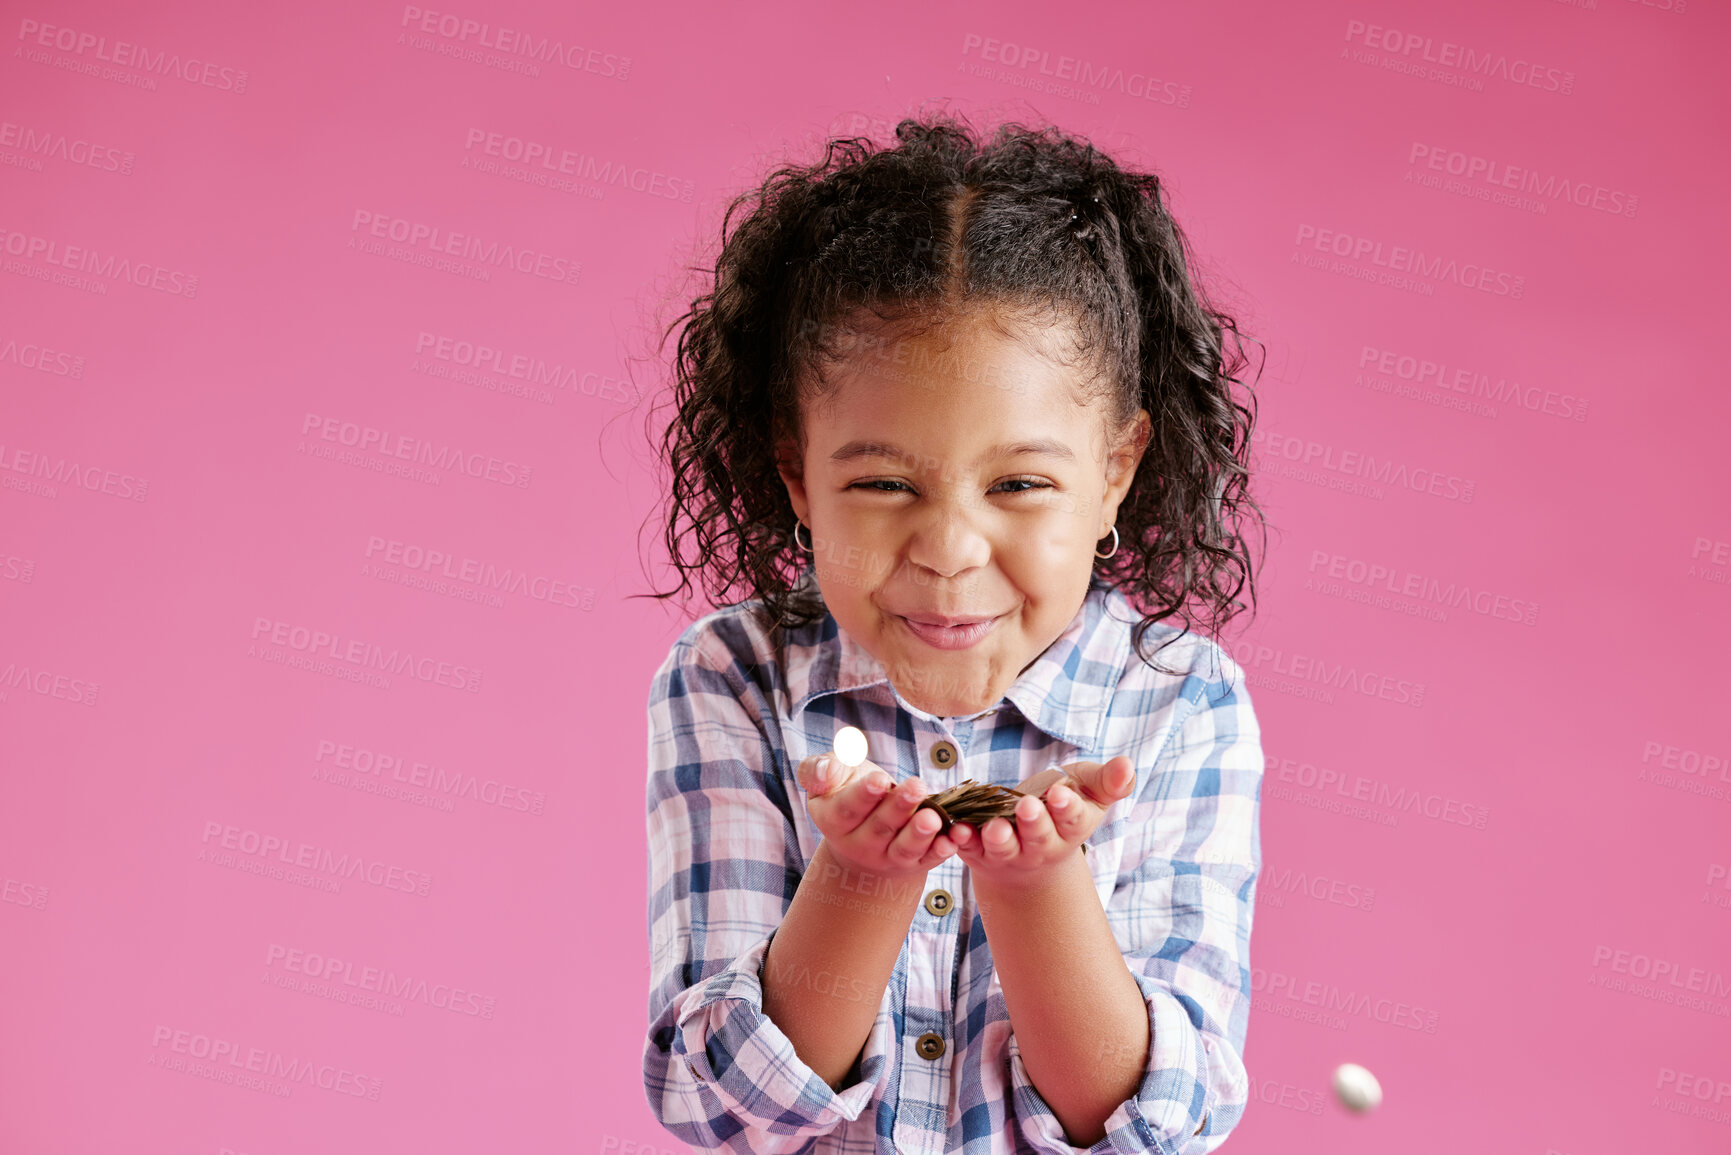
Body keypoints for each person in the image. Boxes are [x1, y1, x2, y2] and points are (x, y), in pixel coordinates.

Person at [636, 108, 1268, 1154]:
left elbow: (1153, 1125)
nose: (950, 550)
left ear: (1115, 472)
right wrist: (862, 877)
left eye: (1020, 484)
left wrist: (1036, 884)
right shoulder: (734, 677)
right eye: (883, 483)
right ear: (798, 472)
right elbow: (721, 1102)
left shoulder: (1178, 700)